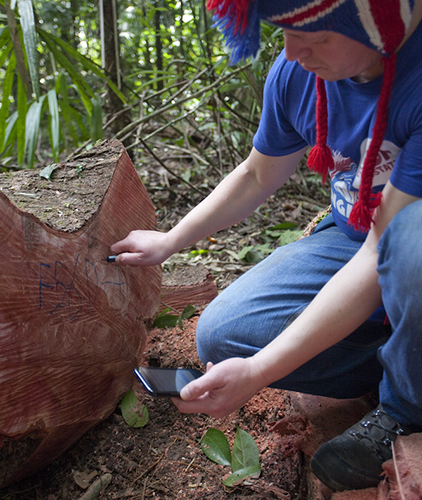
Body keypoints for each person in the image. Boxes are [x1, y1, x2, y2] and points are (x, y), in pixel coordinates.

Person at [111, 0, 422, 492]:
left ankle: (406, 406)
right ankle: (400, 355)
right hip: (354, 238)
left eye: (316, 39)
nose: (294, 52)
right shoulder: (298, 73)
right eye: (283, 34)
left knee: (414, 244)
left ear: (380, 26)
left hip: (406, 247)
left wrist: (260, 371)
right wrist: (169, 241)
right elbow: (257, 174)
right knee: (224, 333)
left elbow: (381, 252)